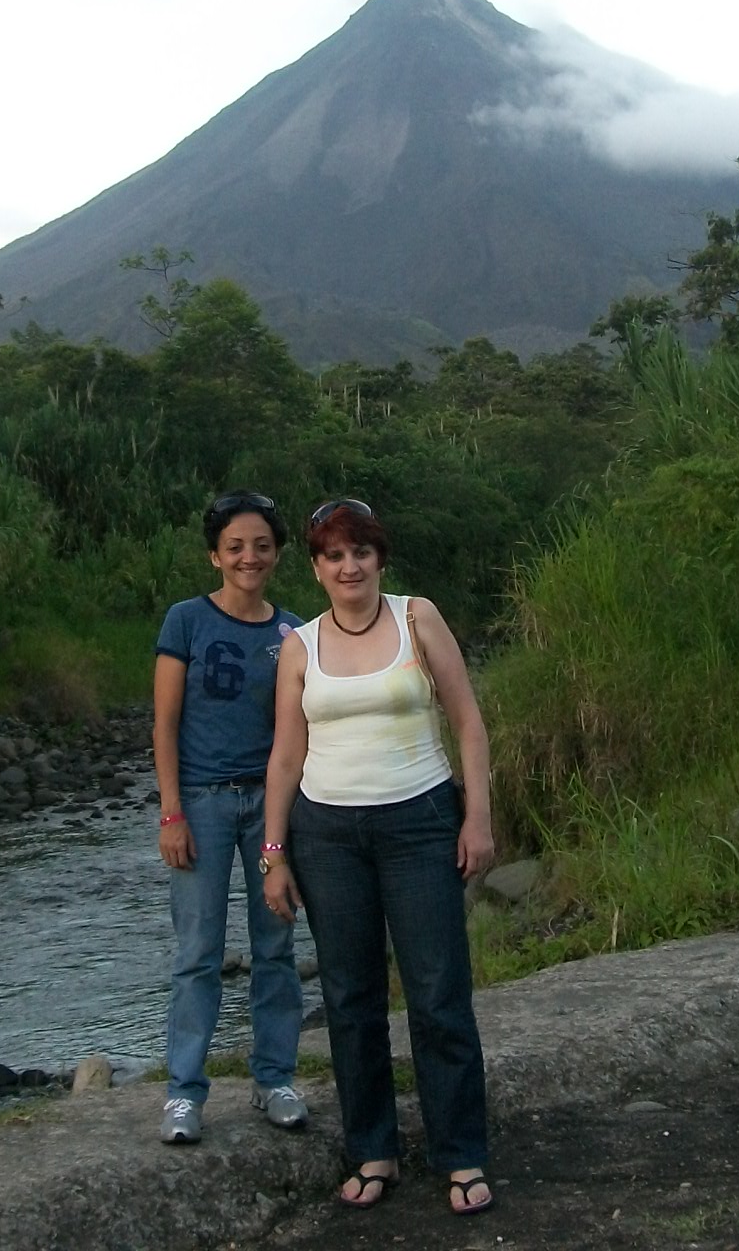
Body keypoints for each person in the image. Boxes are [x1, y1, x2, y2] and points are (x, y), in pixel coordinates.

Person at [259, 498, 497, 1217]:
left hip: (419, 822)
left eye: (360, 551)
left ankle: (462, 1154)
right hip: (327, 836)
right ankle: (373, 1149)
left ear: (379, 558)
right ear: (317, 568)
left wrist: (478, 818)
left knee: (437, 993)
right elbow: (285, 756)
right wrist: (275, 853)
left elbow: (468, 721)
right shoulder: (300, 646)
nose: (349, 565)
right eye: (334, 555)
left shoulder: (416, 618)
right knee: (351, 999)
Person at [152, 489, 309, 1145]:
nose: (250, 557)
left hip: (270, 805)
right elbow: (164, 723)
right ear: (215, 554)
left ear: (277, 554)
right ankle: (184, 1092)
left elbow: (297, 735)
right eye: (236, 546)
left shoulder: (293, 633)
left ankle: (274, 1078)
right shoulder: (186, 620)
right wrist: (171, 814)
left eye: (262, 546)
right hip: (204, 802)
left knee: (275, 947)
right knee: (198, 952)